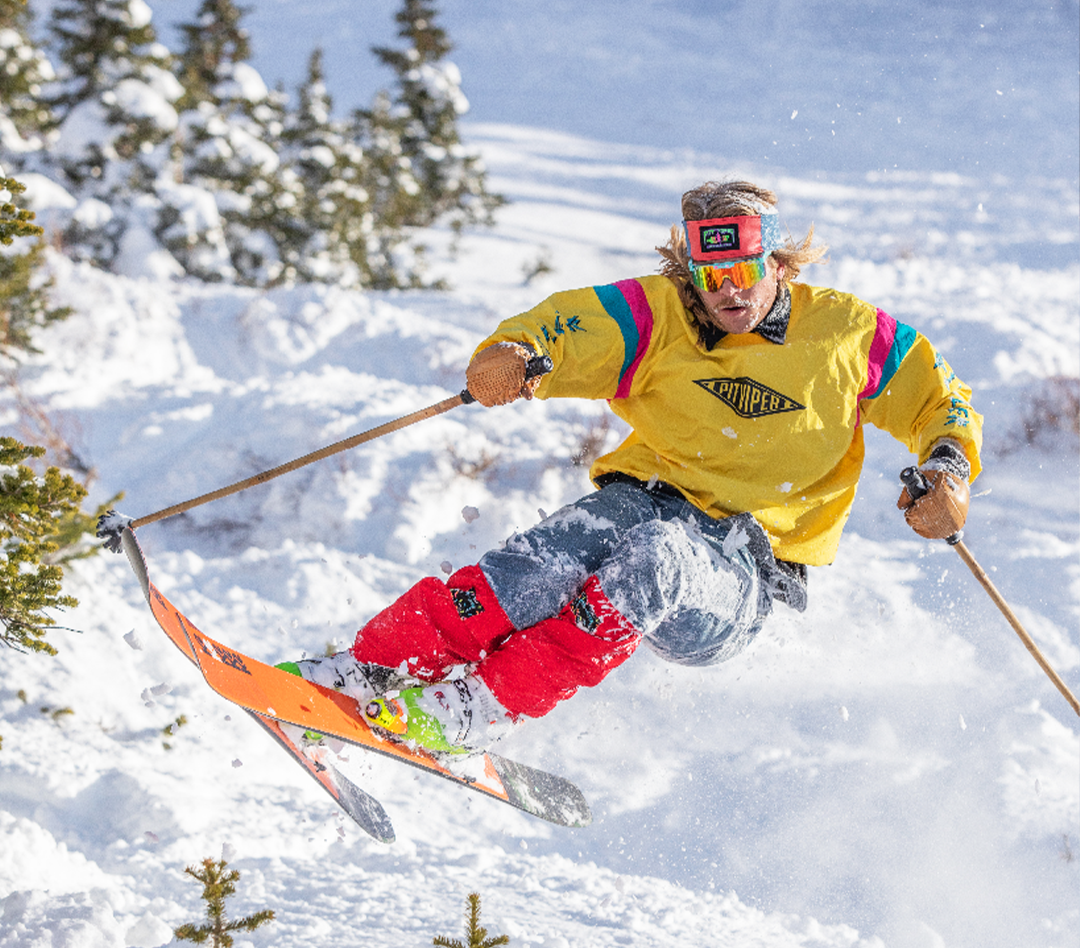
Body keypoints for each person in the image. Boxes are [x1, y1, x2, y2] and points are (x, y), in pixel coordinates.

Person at [279, 179, 982, 755]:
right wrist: (517, 354)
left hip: (737, 576)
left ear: (777, 264)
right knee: (570, 540)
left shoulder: (847, 334)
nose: (729, 293)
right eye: (711, 278)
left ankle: (479, 705)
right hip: (645, 504)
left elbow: (938, 397)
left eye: (744, 272)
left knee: (657, 555)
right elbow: (566, 325)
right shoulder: (658, 317)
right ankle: (373, 669)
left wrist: (948, 469)